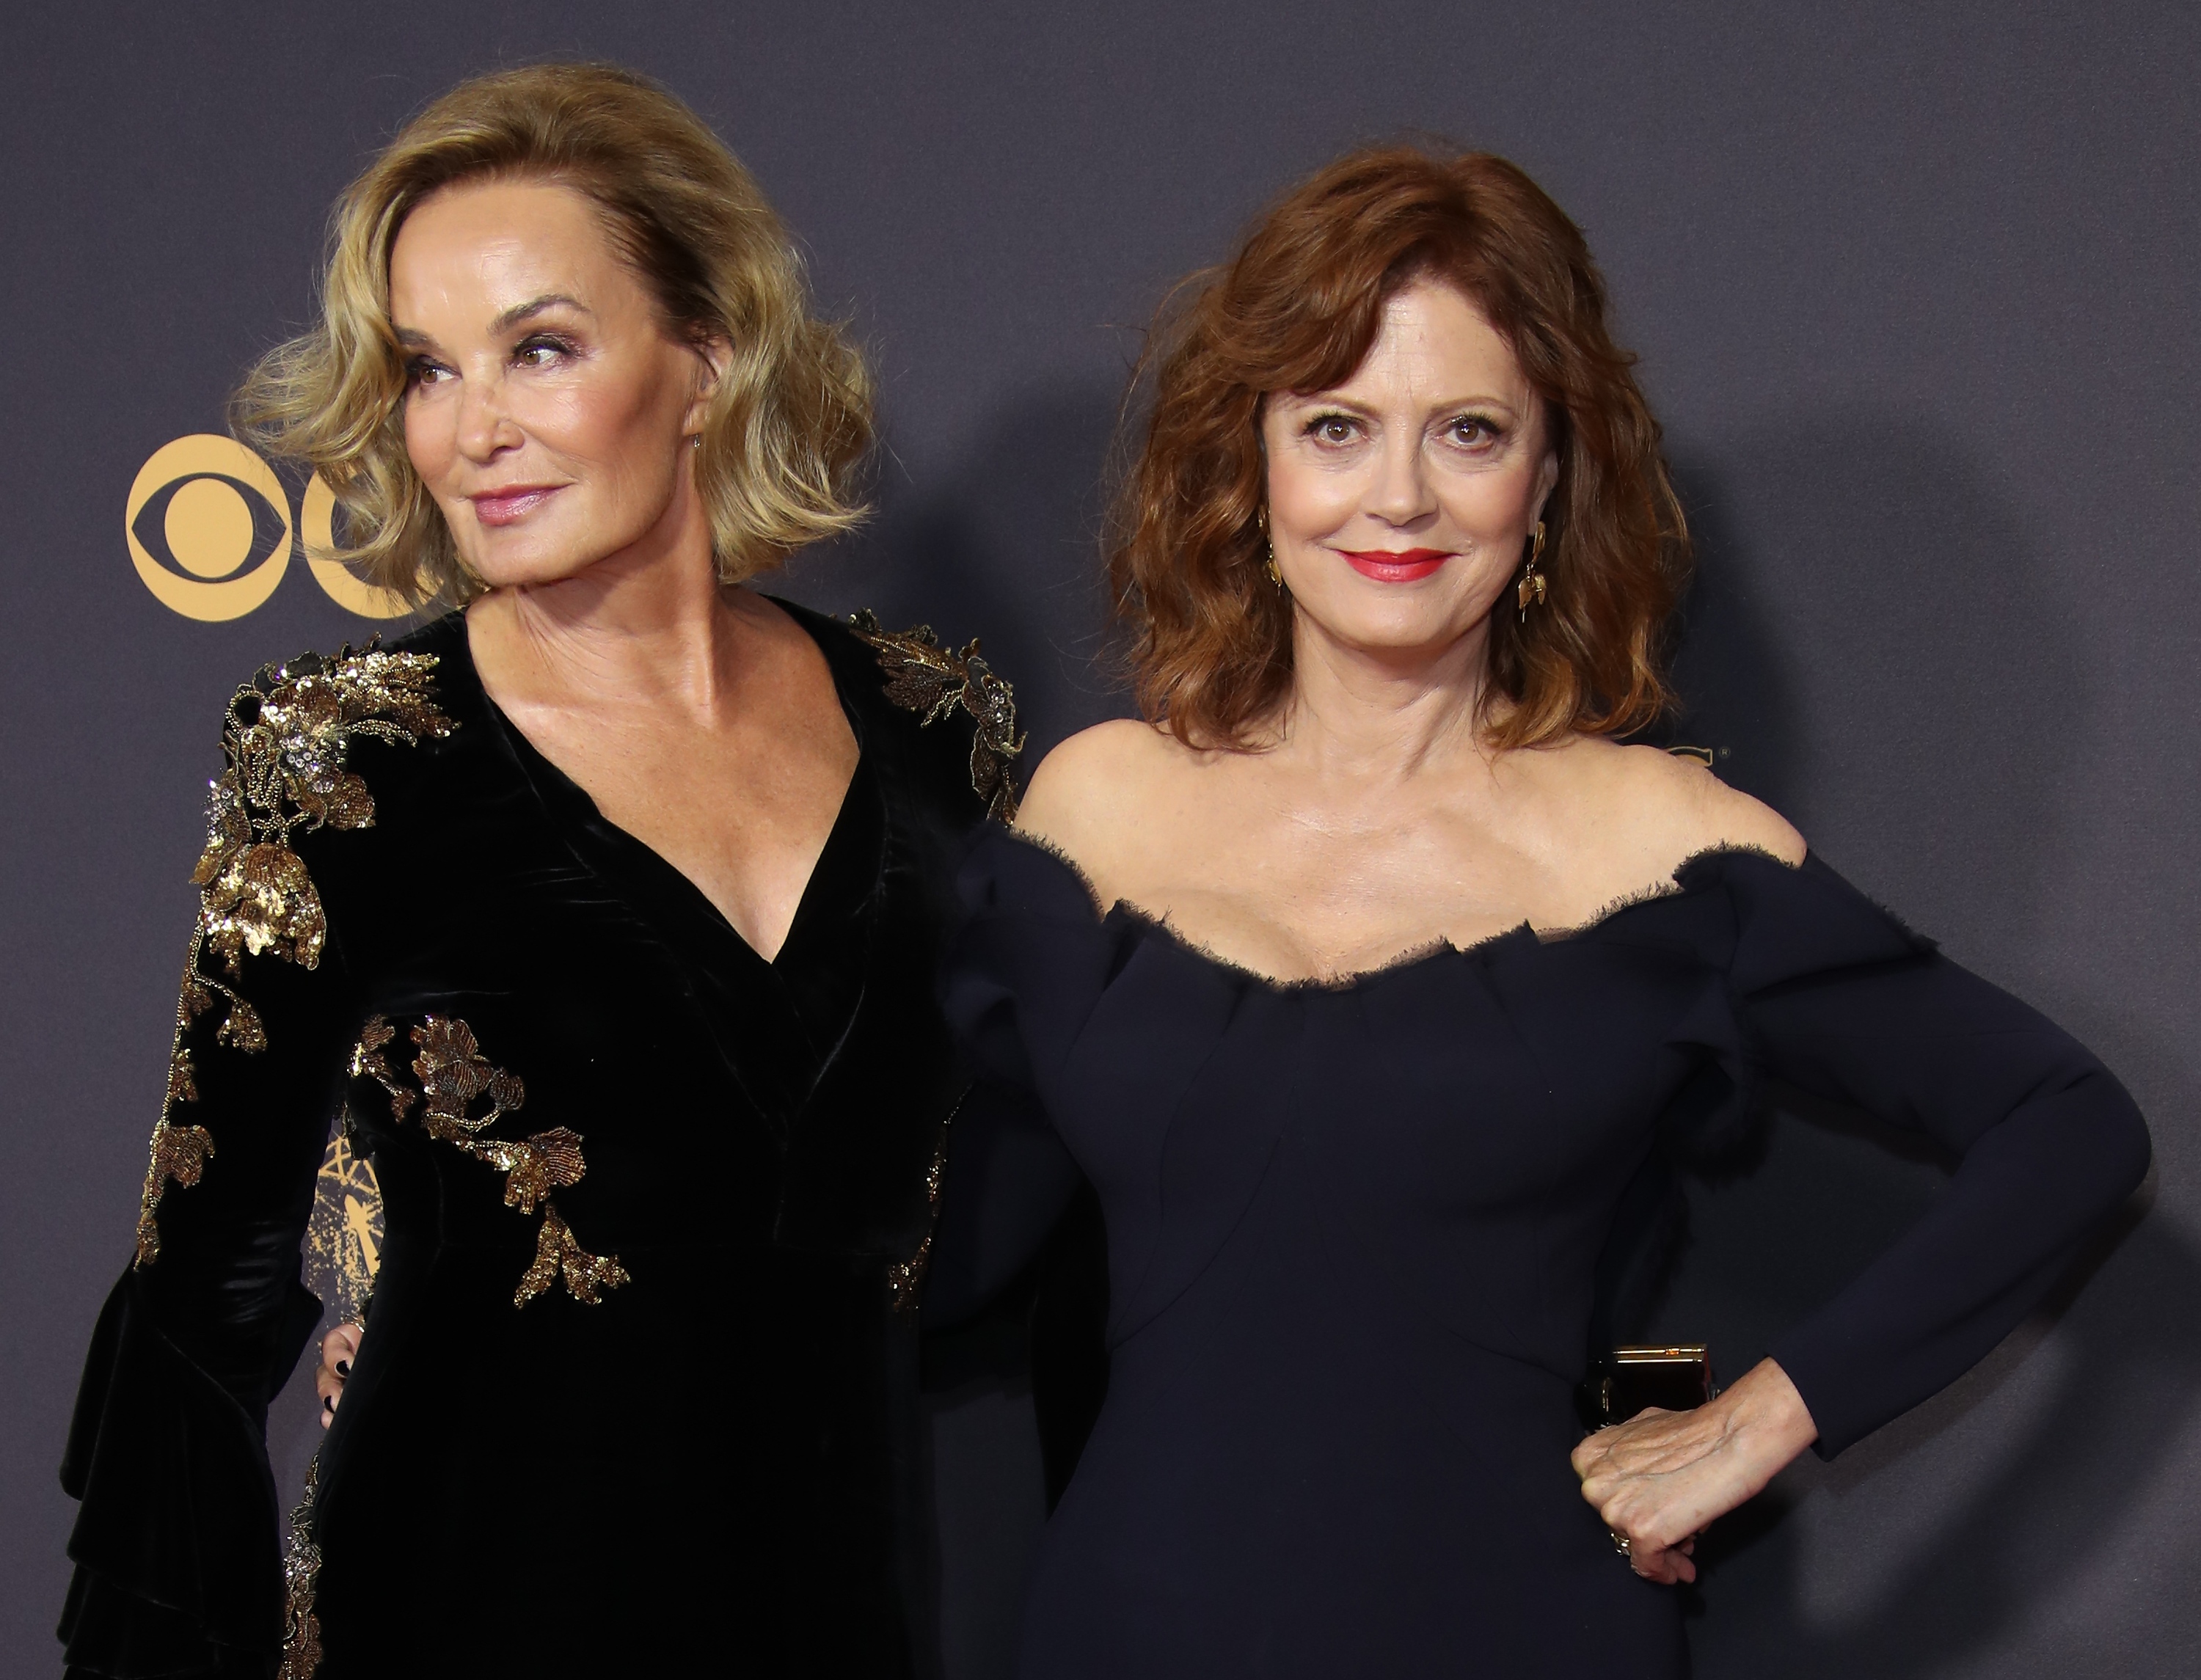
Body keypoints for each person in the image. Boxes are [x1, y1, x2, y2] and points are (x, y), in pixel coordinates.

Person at [926, 147, 2152, 1677]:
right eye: (1337, 427)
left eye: (1469, 432)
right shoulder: (1096, 806)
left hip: (1523, 1625)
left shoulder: (1665, 847)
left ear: (1552, 474)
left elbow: (2066, 1122)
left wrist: (1764, 1414)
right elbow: (945, 1253)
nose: (1399, 496)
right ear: (1252, 467)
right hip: (1135, 1623)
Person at [58, 65, 1029, 1678]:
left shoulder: (939, 728)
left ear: (708, 360)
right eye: (427, 369)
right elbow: (202, 1306)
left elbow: (1024, 1197)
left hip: (837, 1604)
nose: (471, 429)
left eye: (542, 348)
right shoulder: (349, 760)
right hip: (460, 1599)